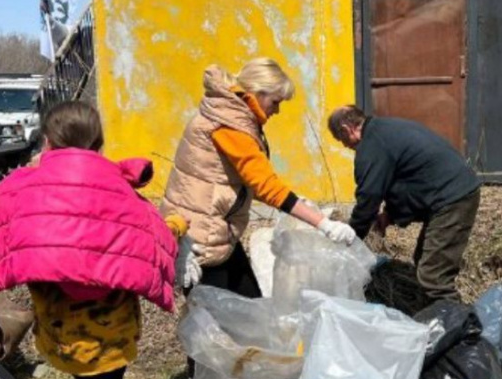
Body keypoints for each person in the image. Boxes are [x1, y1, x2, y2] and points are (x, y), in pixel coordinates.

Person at [0, 101, 188, 379]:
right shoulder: (119, 191)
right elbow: (155, 237)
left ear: (46, 141)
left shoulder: (23, 190)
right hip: (110, 337)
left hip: (58, 333)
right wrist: (178, 224)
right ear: (99, 143)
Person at [161, 58, 356, 294]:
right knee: (225, 318)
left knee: (244, 310)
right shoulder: (230, 125)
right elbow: (264, 185)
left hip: (213, 230)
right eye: (276, 102)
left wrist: (296, 201)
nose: (277, 110)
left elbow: (243, 180)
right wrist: (323, 224)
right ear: (258, 92)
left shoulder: (228, 114)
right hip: (201, 238)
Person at [327, 105, 481, 304]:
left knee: (433, 278)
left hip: (452, 199)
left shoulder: (372, 145)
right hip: (452, 193)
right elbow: (406, 181)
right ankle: (438, 319)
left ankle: (460, 327)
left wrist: (352, 236)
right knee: (424, 263)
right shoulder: (385, 131)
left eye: (341, 140)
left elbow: (369, 198)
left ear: (347, 130)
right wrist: (389, 215)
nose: (345, 146)